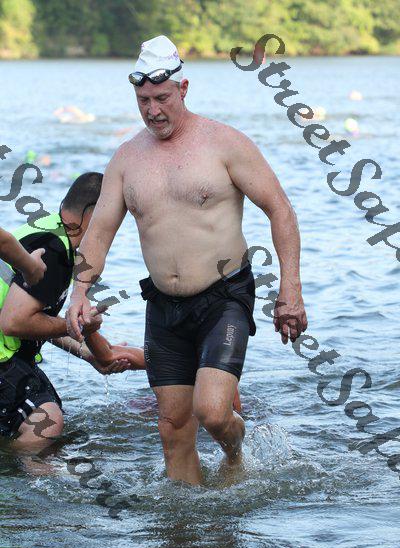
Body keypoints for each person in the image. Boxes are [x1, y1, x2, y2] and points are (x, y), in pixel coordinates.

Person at [66, 36, 307, 485]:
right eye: (143, 101)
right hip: (163, 305)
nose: (153, 110)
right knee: (173, 429)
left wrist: (289, 290)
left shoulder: (225, 143)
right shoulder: (127, 159)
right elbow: (99, 232)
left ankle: (235, 454)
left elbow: (280, 210)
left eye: (162, 98)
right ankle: (185, 521)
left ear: (183, 88)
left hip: (224, 297)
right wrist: (79, 292)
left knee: (213, 412)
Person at [0, 172, 144, 453]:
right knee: (46, 421)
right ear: (92, 213)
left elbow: (35, 320)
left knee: (45, 411)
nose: (113, 228)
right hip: (4, 358)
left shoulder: (51, 231)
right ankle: (16, 471)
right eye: (113, 216)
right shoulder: (55, 252)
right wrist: (77, 326)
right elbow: (15, 322)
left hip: (11, 355)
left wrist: (87, 353)